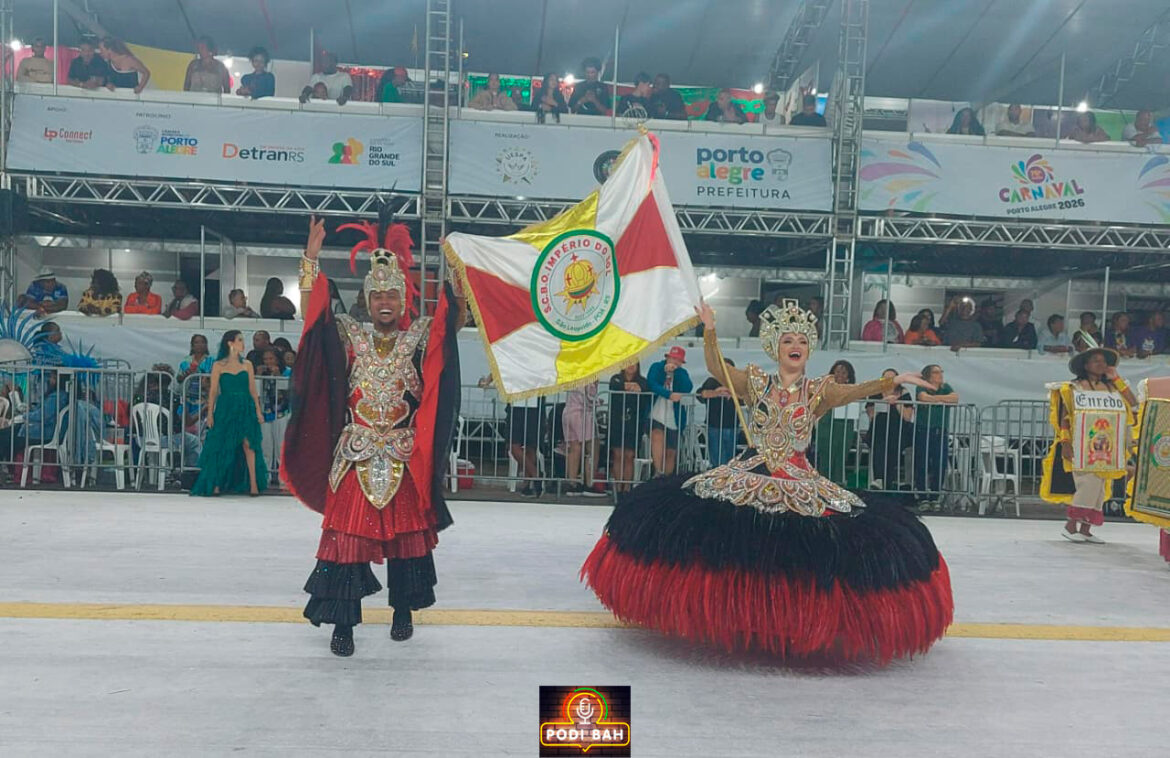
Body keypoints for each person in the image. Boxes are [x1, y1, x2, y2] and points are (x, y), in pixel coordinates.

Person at [581, 300, 951, 664]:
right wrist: (709, 329)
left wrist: (892, 380)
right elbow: (716, 368)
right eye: (789, 340)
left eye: (803, 342)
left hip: (798, 476)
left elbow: (854, 392)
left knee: (795, 550)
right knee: (732, 540)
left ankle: (785, 620)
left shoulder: (819, 390)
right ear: (776, 347)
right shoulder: (755, 381)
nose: (795, 347)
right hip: (751, 470)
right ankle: (733, 614)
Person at [285, 212, 464, 656]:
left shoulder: (418, 336)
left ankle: (402, 610)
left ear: (404, 300)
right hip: (355, 452)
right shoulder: (349, 334)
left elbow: (452, 324)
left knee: (406, 542)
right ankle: (341, 625)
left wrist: (457, 271)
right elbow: (314, 315)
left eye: (392, 293)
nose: (384, 300)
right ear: (367, 299)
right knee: (347, 540)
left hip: (403, 454)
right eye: (377, 293)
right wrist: (310, 261)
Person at [1041, 337, 1135, 543]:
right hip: (1082, 444)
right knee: (1087, 484)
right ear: (1085, 365)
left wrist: (1116, 378)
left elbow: (1133, 403)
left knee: (1100, 488)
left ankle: (1085, 529)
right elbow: (1065, 417)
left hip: (1108, 446)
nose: (1101, 364)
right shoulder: (1073, 388)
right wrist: (1065, 443)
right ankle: (1070, 525)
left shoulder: (1114, 388)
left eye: (1103, 361)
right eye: (1096, 361)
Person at [190, 330, 266, 497]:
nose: (243, 343)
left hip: (245, 406)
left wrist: (258, 411)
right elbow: (213, 391)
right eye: (240, 340)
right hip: (226, 407)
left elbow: (253, 391)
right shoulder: (218, 365)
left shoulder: (247, 364)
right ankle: (216, 483)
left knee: (249, 443)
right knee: (222, 444)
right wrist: (210, 413)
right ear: (230, 343)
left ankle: (253, 484)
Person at [914, 364, 958, 511]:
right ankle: (922, 496)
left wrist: (936, 398)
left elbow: (954, 398)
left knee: (940, 464)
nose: (940, 375)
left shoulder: (946, 387)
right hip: (923, 429)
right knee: (922, 463)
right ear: (929, 375)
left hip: (941, 431)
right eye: (936, 372)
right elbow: (923, 397)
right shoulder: (922, 386)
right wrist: (940, 400)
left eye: (941, 371)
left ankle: (935, 496)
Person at [647, 346, 693, 476]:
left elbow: (687, 387)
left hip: (674, 416)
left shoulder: (682, 373)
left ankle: (666, 480)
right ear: (667, 357)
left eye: (678, 360)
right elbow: (652, 383)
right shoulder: (656, 367)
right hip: (656, 412)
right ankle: (658, 472)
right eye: (672, 358)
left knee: (671, 452)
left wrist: (676, 372)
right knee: (657, 434)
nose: (674, 362)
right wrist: (668, 394)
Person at [868, 368, 915, 489]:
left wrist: (896, 402)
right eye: (886, 377)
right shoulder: (875, 392)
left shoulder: (903, 393)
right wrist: (884, 402)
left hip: (897, 431)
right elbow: (871, 414)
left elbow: (907, 416)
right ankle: (878, 479)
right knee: (878, 449)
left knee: (892, 454)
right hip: (879, 430)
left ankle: (888, 484)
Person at [607, 363, 650, 493]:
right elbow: (615, 386)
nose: (631, 366)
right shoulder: (616, 378)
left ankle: (626, 487)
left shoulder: (642, 381)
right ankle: (617, 487)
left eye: (634, 364)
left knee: (629, 455)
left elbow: (644, 389)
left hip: (634, 422)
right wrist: (630, 386)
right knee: (618, 454)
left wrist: (630, 387)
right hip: (617, 422)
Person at [697, 359, 741, 467]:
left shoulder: (737, 383)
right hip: (714, 424)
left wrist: (733, 393)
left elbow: (746, 399)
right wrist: (716, 392)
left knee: (730, 456)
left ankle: (728, 476)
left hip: (732, 424)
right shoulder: (711, 381)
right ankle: (718, 476)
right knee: (716, 454)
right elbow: (701, 394)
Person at [562, 382, 602, 497]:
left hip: (568, 412)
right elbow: (589, 397)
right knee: (593, 446)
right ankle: (589, 484)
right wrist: (598, 402)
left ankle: (572, 484)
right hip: (582, 414)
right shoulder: (590, 376)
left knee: (574, 448)